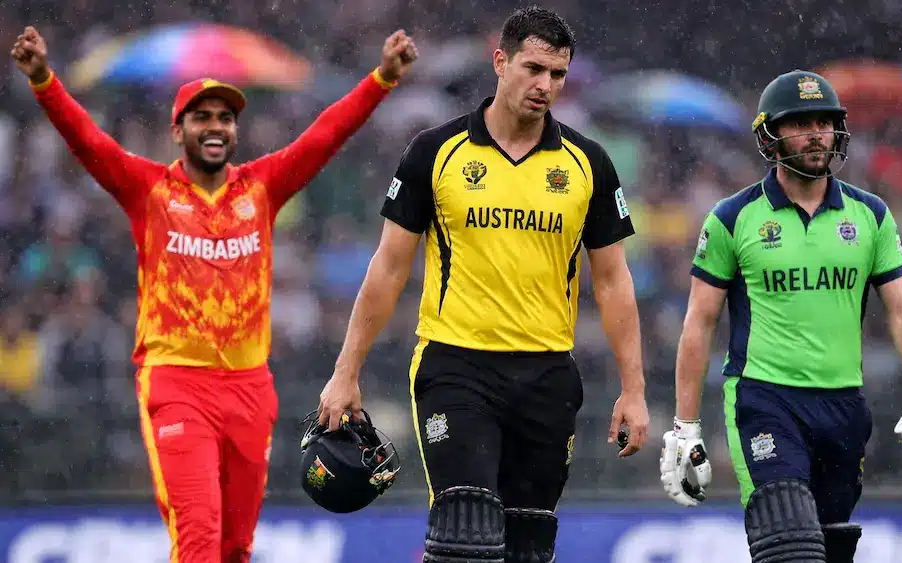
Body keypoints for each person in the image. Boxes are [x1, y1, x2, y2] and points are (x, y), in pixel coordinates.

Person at [10, 24, 417, 563]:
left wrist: (381, 79)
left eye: (225, 117)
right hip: (177, 384)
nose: (215, 126)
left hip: (251, 388)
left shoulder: (262, 187)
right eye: (201, 117)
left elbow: (323, 137)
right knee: (198, 539)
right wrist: (44, 81)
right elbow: (88, 141)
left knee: (235, 547)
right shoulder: (149, 190)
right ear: (177, 130)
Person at [315, 6, 649, 562]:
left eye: (558, 74)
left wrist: (633, 390)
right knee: (464, 534)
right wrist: (345, 372)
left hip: (547, 374)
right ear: (500, 61)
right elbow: (389, 267)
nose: (545, 86)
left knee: (527, 549)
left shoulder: (588, 163)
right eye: (533, 68)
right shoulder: (435, 151)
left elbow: (614, 282)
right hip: (455, 366)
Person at [658, 70, 902, 563]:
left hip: (844, 406)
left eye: (824, 122)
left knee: (831, 548)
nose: (817, 134)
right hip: (764, 400)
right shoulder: (733, 218)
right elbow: (699, 323)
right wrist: (685, 427)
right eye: (801, 124)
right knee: (790, 545)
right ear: (770, 135)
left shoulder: (870, 215)